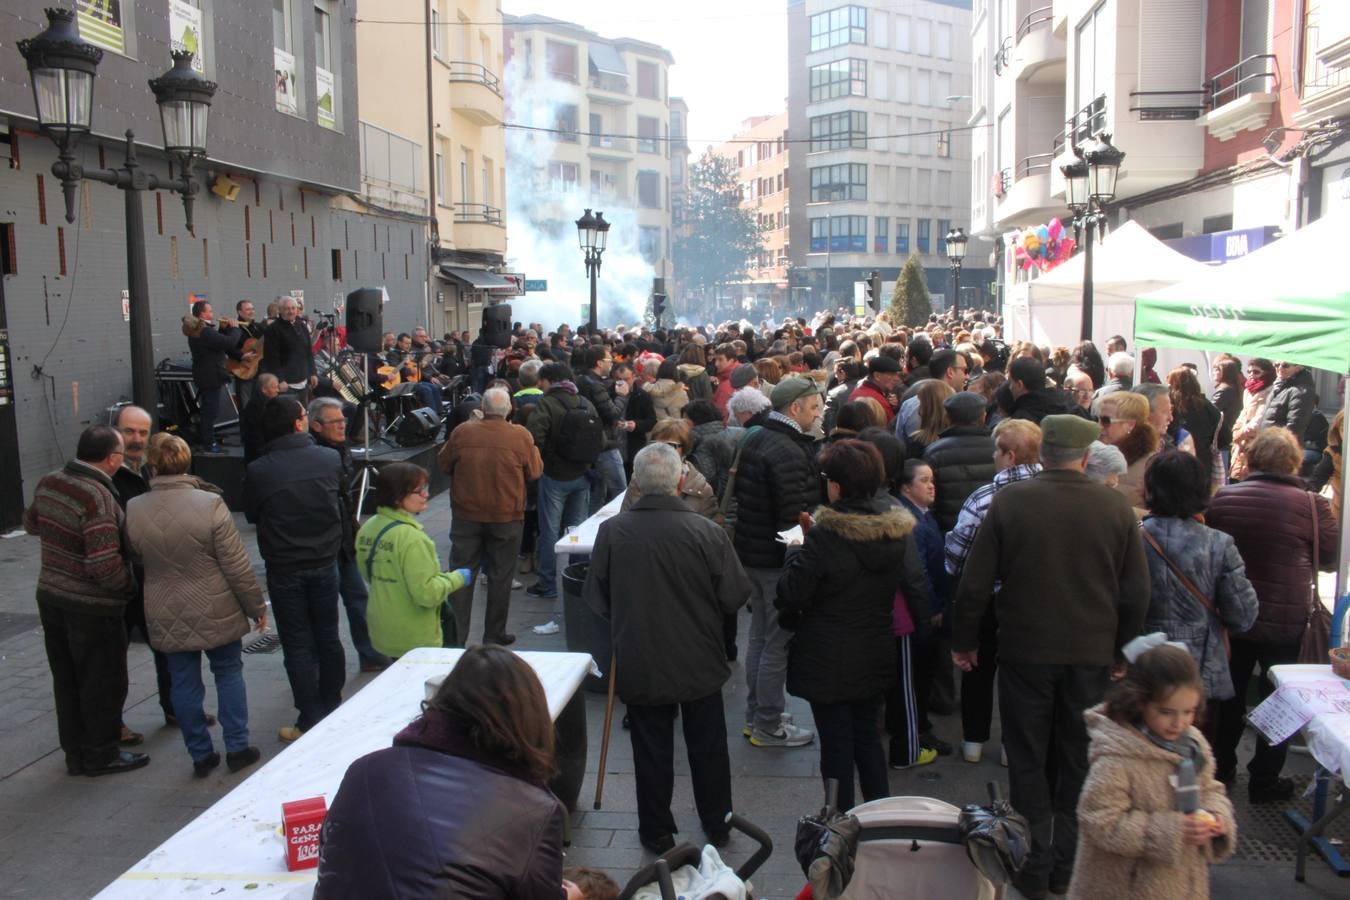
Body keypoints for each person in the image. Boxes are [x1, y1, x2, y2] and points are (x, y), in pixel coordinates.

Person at [952, 415, 1150, 899]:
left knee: (1026, 755)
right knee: (1078, 755)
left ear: (1044, 455)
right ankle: (1067, 866)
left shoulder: (1010, 501)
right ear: (1085, 457)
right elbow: (1136, 592)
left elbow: (974, 583)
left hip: (1025, 649)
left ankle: (1032, 865)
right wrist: (1124, 647)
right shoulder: (1116, 507)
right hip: (1091, 652)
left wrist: (964, 640)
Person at [585, 443, 751, 852]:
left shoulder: (613, 532)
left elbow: (596, 597)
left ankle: (656, 829)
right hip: (699, 655)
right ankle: (717, 819)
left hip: (641, 654)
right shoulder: (705, 531)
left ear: (637, 482)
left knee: (650, 746)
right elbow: (734, 595)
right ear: (680, 480)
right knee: (708, 745)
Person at [314, 646, 566, 897]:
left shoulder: (365, 769)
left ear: (443, 703)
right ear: (531, 720)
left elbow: (329, 852)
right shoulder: (535, 809)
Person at [776, 440, 924, 808]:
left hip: (828, 655)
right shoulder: (893, 531)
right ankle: (880, 813)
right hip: (873, 648)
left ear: (838, 486)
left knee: (837, 747)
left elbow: (793, 594)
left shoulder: (826, 537)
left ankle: (838, 824)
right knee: (868, 739)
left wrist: (796, 551)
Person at [1206, 427, 1339, 802]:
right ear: (1294, 461)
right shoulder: (1313, 506)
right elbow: (1329, 559)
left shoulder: (1225, 498)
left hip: (1231, 616)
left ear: (1253, 458)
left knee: (1228, 697)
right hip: (1288, 618)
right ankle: (1265, 780)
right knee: (1280, 698)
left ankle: (1222, 771)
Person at [125, 434, 268, 777]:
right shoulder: (210, 504)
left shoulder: (134, 508)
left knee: (183, 681)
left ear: (153, 466)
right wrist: (255, 606)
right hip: (215, 602)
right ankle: (237, 746)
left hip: (163, 605)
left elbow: (134, 555)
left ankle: (200, 753)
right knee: (229, 672)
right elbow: (235, 563)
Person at [1067, 644, 1235, 900]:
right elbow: (1100, 821)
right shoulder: (1116, 757)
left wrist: (1217, 816)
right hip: (1124, 888)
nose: (1179, 723)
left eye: (1188, 712)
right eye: (1166, 712)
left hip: (1181, 882)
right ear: (1140, 702)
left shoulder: (1193, 744)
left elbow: (1210, 789)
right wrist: (1172, 830)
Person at [26, 426, 145, 776]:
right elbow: (103, 564)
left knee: (66, 680)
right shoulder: (98, 496)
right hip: (92, 608)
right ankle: (101, 752)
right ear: (111, 459)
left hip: (50, 597)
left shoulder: (50, 481)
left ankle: (75, 753)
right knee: (101, 682)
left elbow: (32, 523)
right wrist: (128, 588)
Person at [244, 395, 346, 742]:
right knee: (328, 636)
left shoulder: (259, 469)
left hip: (285, 566)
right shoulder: (328, 458)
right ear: (298, 423)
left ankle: (311, 716)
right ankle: (332, 705)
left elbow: (253, 515)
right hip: (322, 560)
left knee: (298, 643)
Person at [1138, 451, 1257, 740]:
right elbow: (1243, 615)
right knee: (1193, 756)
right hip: (1200, 671)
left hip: (1141, 662)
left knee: (1141, 755)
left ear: (1151, 489)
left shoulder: (1132, 538)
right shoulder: (1218, 543)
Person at [734, 375, 824, 749]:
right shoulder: (786, 448)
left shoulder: (761, 436)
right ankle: (768, 724)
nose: (819, 415)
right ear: (795, 408)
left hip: (753, 553)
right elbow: (792, 515)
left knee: (759, 637)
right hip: (774, 558)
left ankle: (758, 714)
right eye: (815, 408)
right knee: (776, 641)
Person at [945, 418, 1042, 765]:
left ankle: (973, 741)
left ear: (1010, 456)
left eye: (997, 452)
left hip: (987, 599)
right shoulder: (1051, 495)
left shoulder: (984, 498)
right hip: (1032, 602)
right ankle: (1009, 747)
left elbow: (958, 554)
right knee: (1019, 677)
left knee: (977, 669)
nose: (994, 458)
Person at [438, 389, 542, 646]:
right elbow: (535, 471)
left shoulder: (463, 431)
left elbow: (443, 464)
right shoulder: (520, 435)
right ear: (508, 409)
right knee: (501, 575)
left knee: (461, 574)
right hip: (506, 514)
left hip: (466, 513)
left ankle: (456, 637)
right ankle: (494, 633)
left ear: (483, 409)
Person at [356, 463, 470, 656]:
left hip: (382, 627)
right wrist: (456, 578)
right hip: (414, 635)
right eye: (419, 491)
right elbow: (427, 594)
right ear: (398, 496)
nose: (426, 494)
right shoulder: (411, 539)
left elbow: (368, 573)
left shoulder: (369, 527)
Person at [308, 398, 388, 673]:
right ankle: (324, 666)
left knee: (358, 597)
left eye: (343, 420)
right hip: (323, 544)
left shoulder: (340, 451)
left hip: (344, 540)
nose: (343, 426)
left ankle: (371, 654)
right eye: (336, 422)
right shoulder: (315, 456)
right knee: (327, 609)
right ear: (316, 425)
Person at [109, 405, 174, 738]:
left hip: (152, 577)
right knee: (114, 660)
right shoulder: (107, 475)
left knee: (167, 648)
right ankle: (115, 724)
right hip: (120, 580)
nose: (135, 439)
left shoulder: (153, 470)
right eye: (129, 431)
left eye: (142, 432)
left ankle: (175, 708)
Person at [886, 458, 949, 768]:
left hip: (922, 608)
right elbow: (918, 571)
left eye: (932, 479)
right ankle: (914, 737)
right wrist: (932, 609)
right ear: (906, 486)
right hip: (917, 613)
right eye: (924, 480)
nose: (931, 485)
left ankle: (918, 728)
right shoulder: (909, 520)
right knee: (916, 679)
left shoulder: (922, 515)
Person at [525, 363, 602, 600]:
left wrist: (549, 457)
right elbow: (601, 437)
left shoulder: (546, 404)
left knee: (549, 531)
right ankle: (578, 580)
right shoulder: (585, 403)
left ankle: (547, 584)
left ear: (548, 381)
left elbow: (533, 438)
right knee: (576, 530)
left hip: (555, 476)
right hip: (582, 475)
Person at [923, 391, 995, 532]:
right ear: (983, 417)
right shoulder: (998, 448)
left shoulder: (935, 452)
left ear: (947, 417)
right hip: (990, 527)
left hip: (949, 529)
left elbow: (930, 496)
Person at [620, 418, 717, 517]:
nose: (661, 450)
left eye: (670, 445)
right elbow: (625, 518)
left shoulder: (699, 487)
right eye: (656, 444)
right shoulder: (638, 478)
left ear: (685, 448)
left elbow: (707, 529)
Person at [184, 300, 245, 452]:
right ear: (202, 314)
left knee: (210, 410)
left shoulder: (201, 330)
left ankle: (209, 441)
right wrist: (235, 329)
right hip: (210, 375)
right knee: (210, 412)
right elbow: (228, 343)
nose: (212, 314)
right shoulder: (203, 331)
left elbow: (217, 343)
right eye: (210, 311)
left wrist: (223, 330)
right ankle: (209, 444)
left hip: (207, 374)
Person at [575, 346, 629, 513]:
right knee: (621, 491)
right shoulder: (595, 385)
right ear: (599, 363)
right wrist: (622, 395)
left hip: (587, 444)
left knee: (597, 492)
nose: (612, 363)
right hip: (605, 443)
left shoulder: (581, 380)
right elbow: (613, 414)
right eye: (608, 360)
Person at [1098, 391, 1156, 510]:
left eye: (1105, 421)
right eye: (1097, 419)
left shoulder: (1152, 465)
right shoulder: (1091, 455)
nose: (1099, 426)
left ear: (1130, 425)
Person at [261, 296, 317, 404]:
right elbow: (271, 358)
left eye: (293, 308)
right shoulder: (273, 329)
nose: (290, 311)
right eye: (287, 309)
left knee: (303, 415)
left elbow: (308, 352)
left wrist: (313, 372)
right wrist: (280, 380)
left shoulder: (302, 326)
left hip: (303, 381)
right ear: (280, 310)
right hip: (286, 384)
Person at [1166, 367, 1220, 477]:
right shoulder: (1207, 405)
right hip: (1203, 459)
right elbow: (1223, 433)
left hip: (1177, 458)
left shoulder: (1171, 404)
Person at [1228, 357, 1275, 481]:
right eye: (1249, 372)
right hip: (1241, 441)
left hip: (1257, 441)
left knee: (1252, 477)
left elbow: (1259, 420)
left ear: (1267, 373)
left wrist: (1241, 434)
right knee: (1236, 476)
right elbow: (1243, 414)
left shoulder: (1271, 391)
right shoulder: (1248, 390)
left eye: (1256, 372)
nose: (1251, 375)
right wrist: (1236, 432)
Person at [1259, 360, 1318, 442]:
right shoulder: (1279, 385)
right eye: (1277, 364)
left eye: (1285, 365)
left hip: (1280, 448)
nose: (1280, 368)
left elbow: (1294, 427)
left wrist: (1278, 447)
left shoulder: (1301, 391)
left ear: (1298, 367)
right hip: (1266, 442)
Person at [1210, 355, 1243, 479]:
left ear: (1225, 373)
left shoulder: (1224, 391)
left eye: (1217, 369)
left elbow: (1212, 412)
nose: (1214, 372)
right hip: (1228, 436)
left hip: (1221, 438)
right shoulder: (1234, 389)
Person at [848, 355, 902, 425]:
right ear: (877, 376)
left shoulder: (858, 392)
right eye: (891, 374)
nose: (896, 379)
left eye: (896, 375)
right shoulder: (876, 400)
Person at [241, 373, 280, 463]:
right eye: (274, 387)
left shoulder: (270, 403)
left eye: (278, 387)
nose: (278, 390)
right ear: (264, 389)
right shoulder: (256, 406)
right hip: (258, 453)